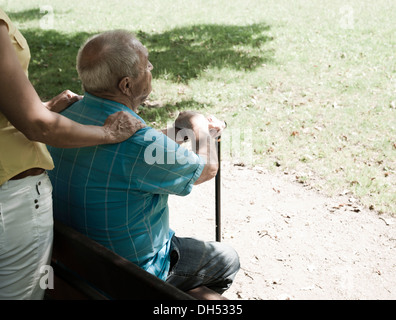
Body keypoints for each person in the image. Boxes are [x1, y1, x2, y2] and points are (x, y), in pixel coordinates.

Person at [47, 30, 240, 298]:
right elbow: (207, 169)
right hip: (133, 277)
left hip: (73, 265)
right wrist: (198, 125)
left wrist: (176, 132)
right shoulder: (142, 143)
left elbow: (134, 152)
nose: (151, 69)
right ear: (126, 85)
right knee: (227, 258)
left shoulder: (59, 117)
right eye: (146, 65)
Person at [0, 9, 143, 300]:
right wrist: (107, 133)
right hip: (10, 198)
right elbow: (39, 127)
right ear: (126, 84)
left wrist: (35, 107)